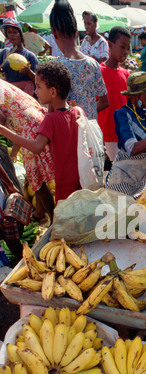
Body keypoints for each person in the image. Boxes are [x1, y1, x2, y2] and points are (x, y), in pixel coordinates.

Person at [0, 61, 82, 205]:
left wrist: (3, 131)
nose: (35, 91)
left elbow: (37, 147)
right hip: (80, 176)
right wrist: (51, 102)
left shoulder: (51, 120)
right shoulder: (76, 111)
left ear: (52, 92)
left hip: (63, 181)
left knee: (65, 218)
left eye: (38, 87)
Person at [0, 79, 55, 223]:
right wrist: (14, 150)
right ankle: (39, 213)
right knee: (36, 176)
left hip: (30, 126)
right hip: (33, 121)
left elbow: (1, 118)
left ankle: (55, 221)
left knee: (36, 177)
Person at [49, 0, 108, 120]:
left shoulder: (56, 68)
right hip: (91, 135)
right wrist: (85, 114)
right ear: (76, 32)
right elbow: (104, 102)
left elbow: (52, 113)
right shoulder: (92, 64)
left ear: (54, 32)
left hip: (68, 135)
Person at [97, 26, 131, 165]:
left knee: (120, 171)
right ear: (110, 45)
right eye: (122, 47)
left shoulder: (126, 74)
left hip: (123, 133)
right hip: (107, 133)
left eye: (128, 48)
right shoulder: (99, 72)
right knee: (117, 169)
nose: (125, 52)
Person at [0, 18, 39, 96]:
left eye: (15, 32)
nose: (12, 34)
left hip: (25, 96)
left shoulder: (30, 56)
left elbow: (39, 80)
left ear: (20, 35)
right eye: (9, 32)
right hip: (10, 95)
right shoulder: (4, 53)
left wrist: (28, 72)